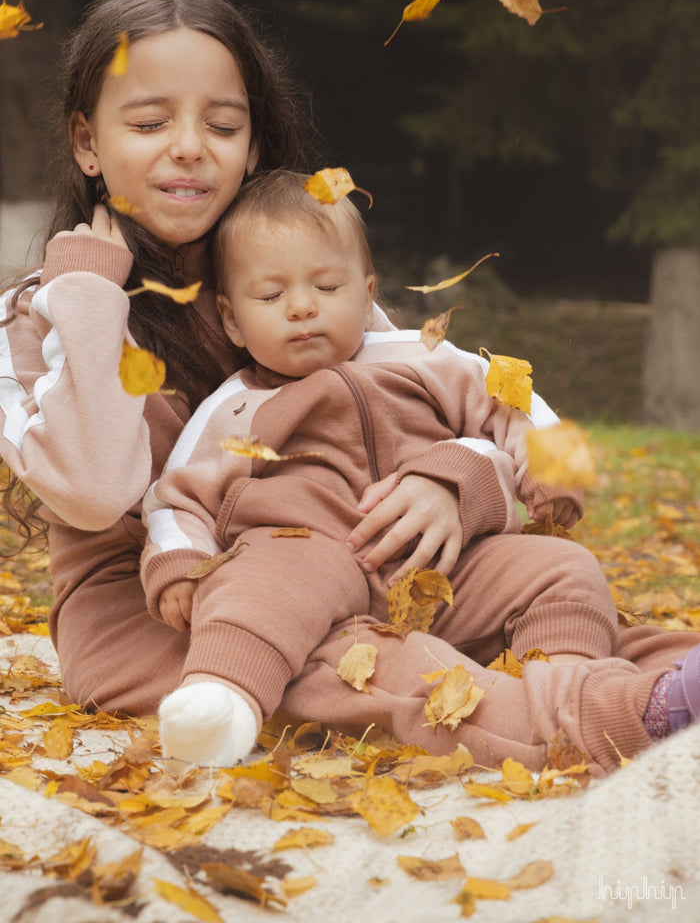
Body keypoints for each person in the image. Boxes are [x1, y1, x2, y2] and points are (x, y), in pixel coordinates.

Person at [0, 0, 529, 744]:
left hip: (333, 570)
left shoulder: (291, 283)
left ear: (251, 147)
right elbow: (91, 490)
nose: (189, 149)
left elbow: (435, 401)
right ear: (88, 142)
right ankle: (597, 717)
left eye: (222, 125)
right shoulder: (40, 314)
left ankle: (639, 681)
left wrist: (452, 482)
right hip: (154, 614)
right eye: (149, 124)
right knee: (352, 663)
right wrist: (93, 304)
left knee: (529, 590)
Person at [142, 169, 700, 773]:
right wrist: (178, 565)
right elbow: (177, 500)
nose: (302, 307)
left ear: (367, 289)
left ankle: (567, 681)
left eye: (328, 286)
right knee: (254, 589)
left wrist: (553, 469)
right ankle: (220, 703)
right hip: (307, 563)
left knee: (563, 568)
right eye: (271, 297)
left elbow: (512, 401)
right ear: (230, 319)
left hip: (446, 565)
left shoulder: (418, 358)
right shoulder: (236, 406)